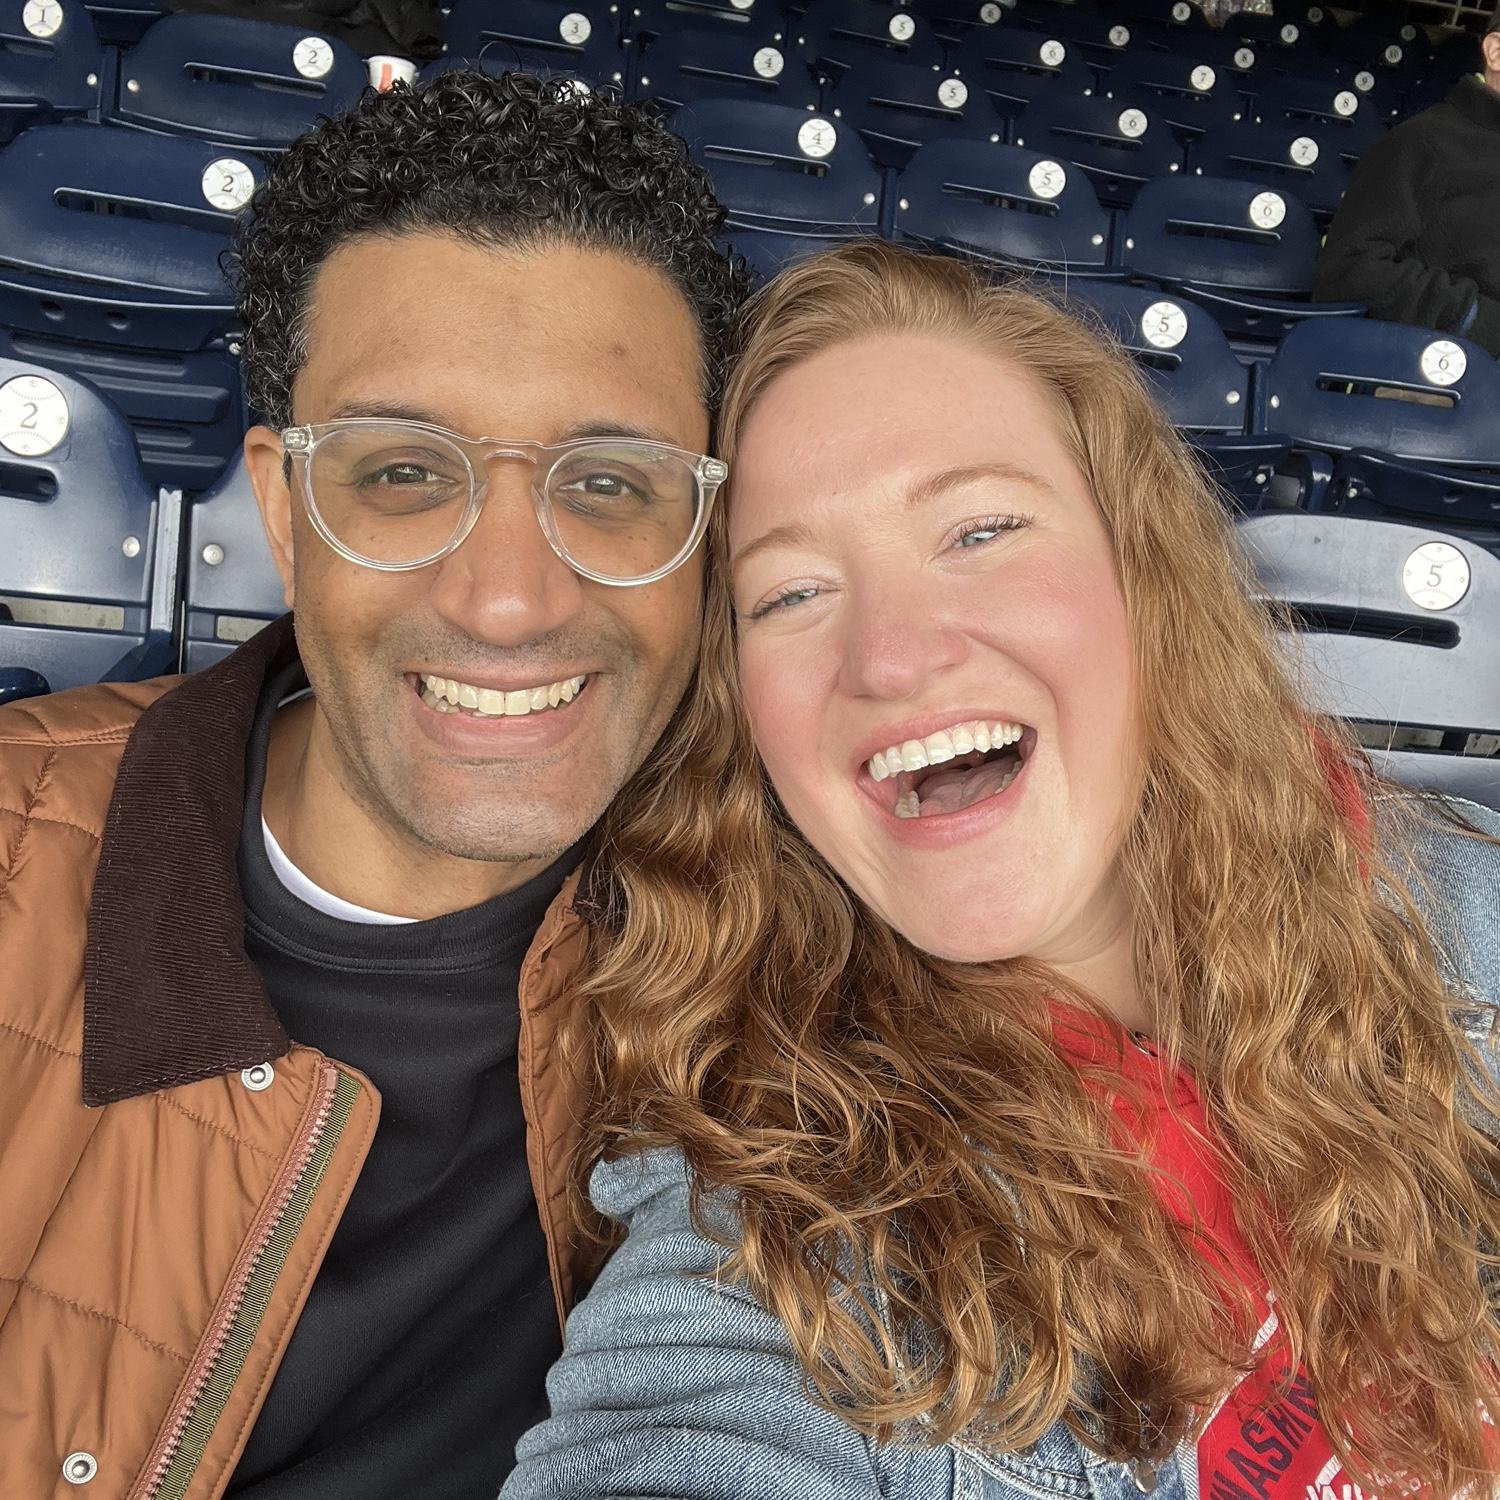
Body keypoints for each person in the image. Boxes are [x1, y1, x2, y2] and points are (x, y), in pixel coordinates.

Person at [504, 242, 1500, 1500]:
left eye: (979, 530)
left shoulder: (1459, 909)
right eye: (791, 593)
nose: (890, 656)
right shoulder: (775, 1219)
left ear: (1144, 571)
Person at [0, 69, 745, 1497]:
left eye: (610, 482)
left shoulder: (800, 943)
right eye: (404, 474)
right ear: (284, 511)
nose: (510, 602)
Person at [1314, 16, 1500, 355]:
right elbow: (1346, 268)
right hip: (1440, 365)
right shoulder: (1422, 142)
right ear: (1495, 52)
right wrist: (1475, 318)